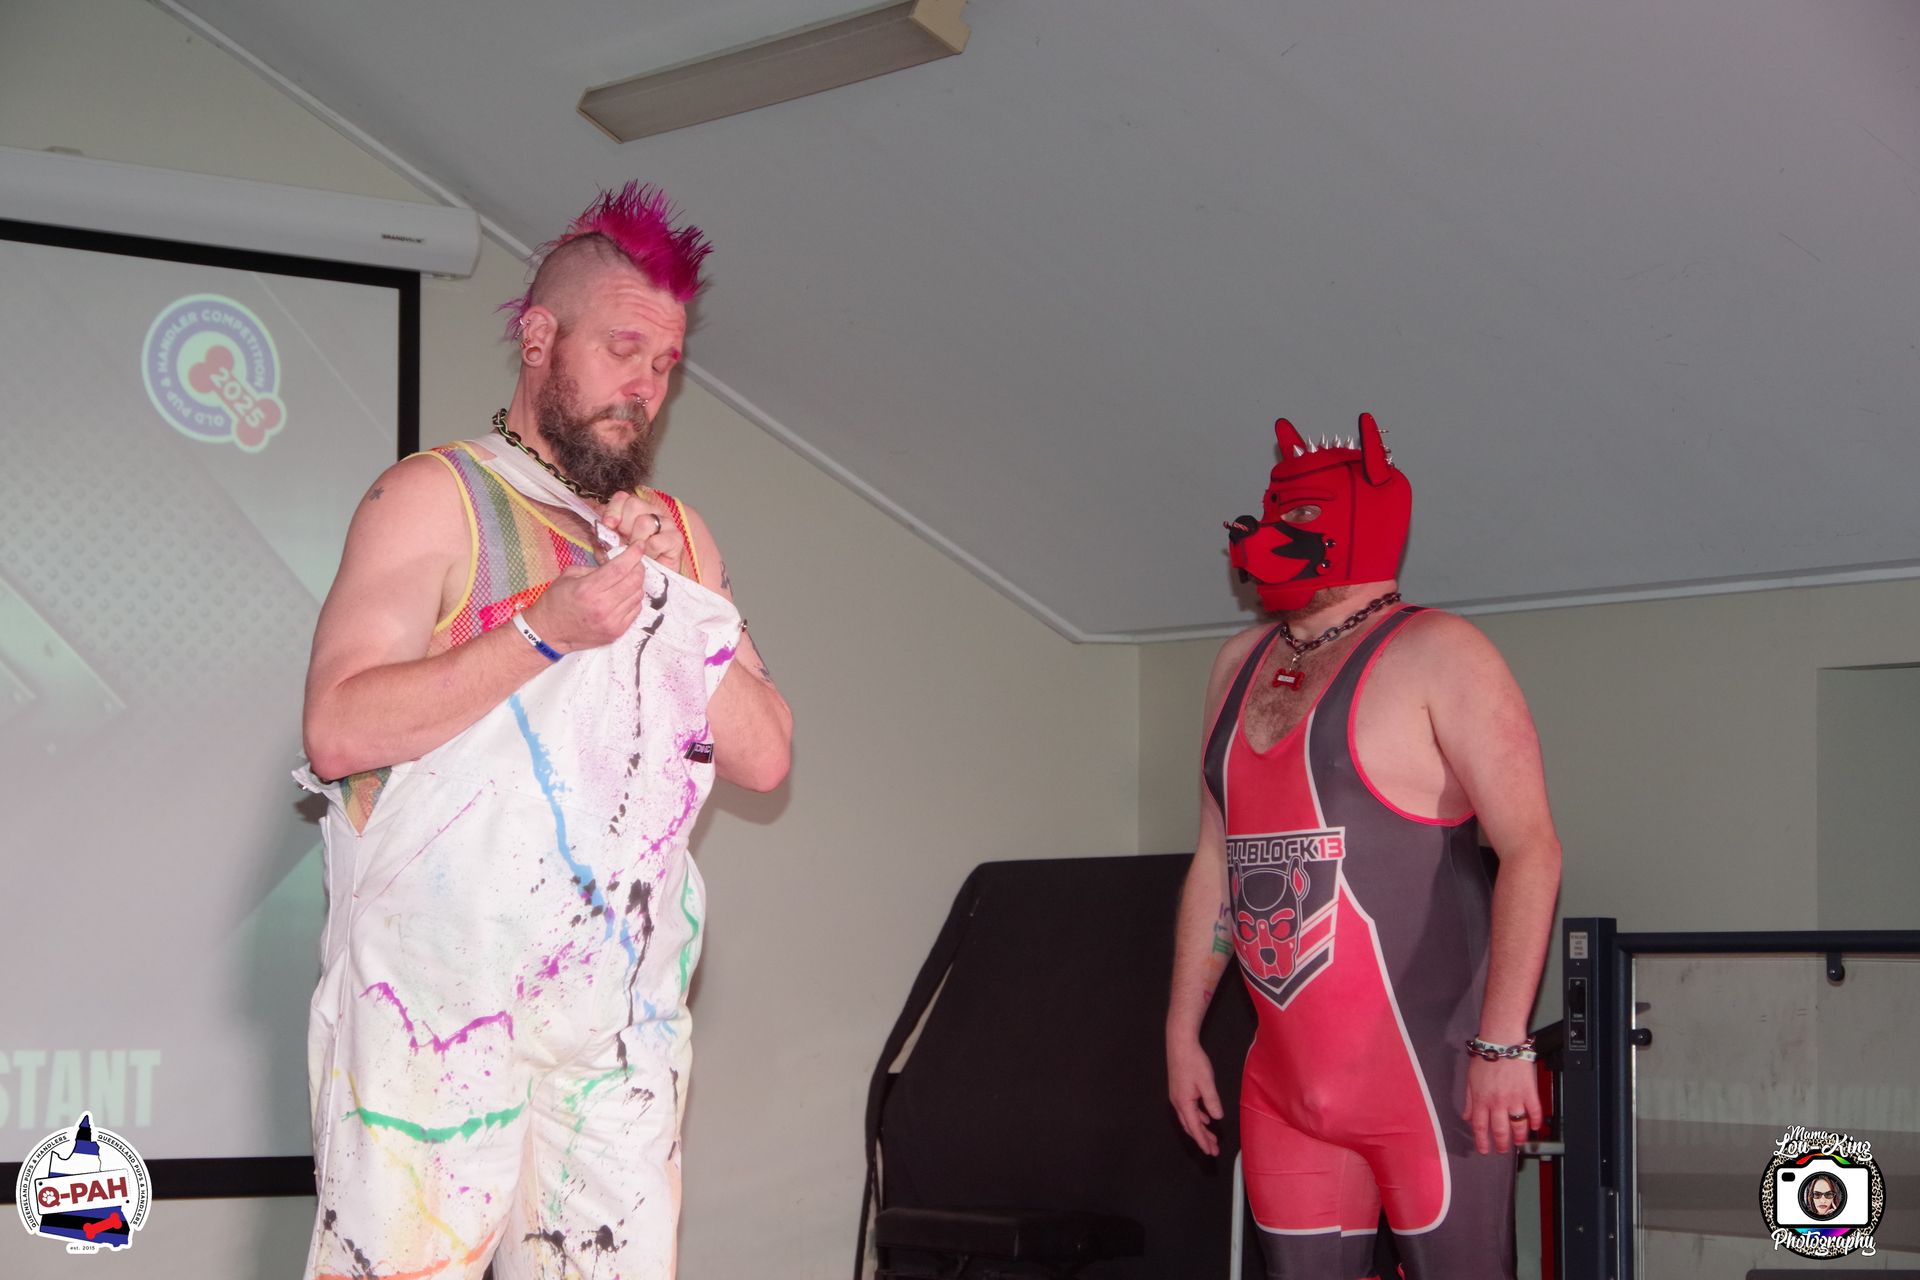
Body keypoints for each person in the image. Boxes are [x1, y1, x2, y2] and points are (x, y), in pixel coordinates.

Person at [296, 183, 792, 1280]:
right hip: (432, 1011)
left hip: (614, 1015)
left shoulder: (677, 535)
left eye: (666, 364)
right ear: (537, 338)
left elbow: (765, 756)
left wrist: (676, 596)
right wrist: (543, 631)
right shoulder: (432, 496)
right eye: (623, 350)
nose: (645, 386)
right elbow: (336, 728)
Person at [1164, 414, 1561, 1280]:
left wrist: (1505, 1045)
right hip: (1284, 1090)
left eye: (1300, 517)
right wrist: (1182, 1029)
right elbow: (1216, 858)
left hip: (1430, 1082)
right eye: (1274, 512)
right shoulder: (1237, 662)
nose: (1272, 533)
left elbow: (1533, 849)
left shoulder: (1441, 651)